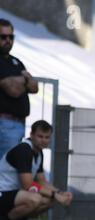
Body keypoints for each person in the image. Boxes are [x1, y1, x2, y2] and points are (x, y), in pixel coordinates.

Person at [0, 120, 73, 220]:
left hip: (14, 193)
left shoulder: (38, 153)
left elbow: (41, 181)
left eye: (47, 137)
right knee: (35, 199)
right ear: (31, 135)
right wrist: (55, 194)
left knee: (49, 200)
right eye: (40, 136)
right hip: (3, 192)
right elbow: (28, 185)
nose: (43, 140)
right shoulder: (24, 150)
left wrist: (60, 193)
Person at [0, 18, 39, 159]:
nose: (8, 40)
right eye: (3, 37)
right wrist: (25, 79)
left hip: (17, 124)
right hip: (4, 125)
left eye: (11, 37)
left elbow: (34, 87)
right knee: (5, 171)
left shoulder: (16, 62)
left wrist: (21, 80)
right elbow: (13, 90)